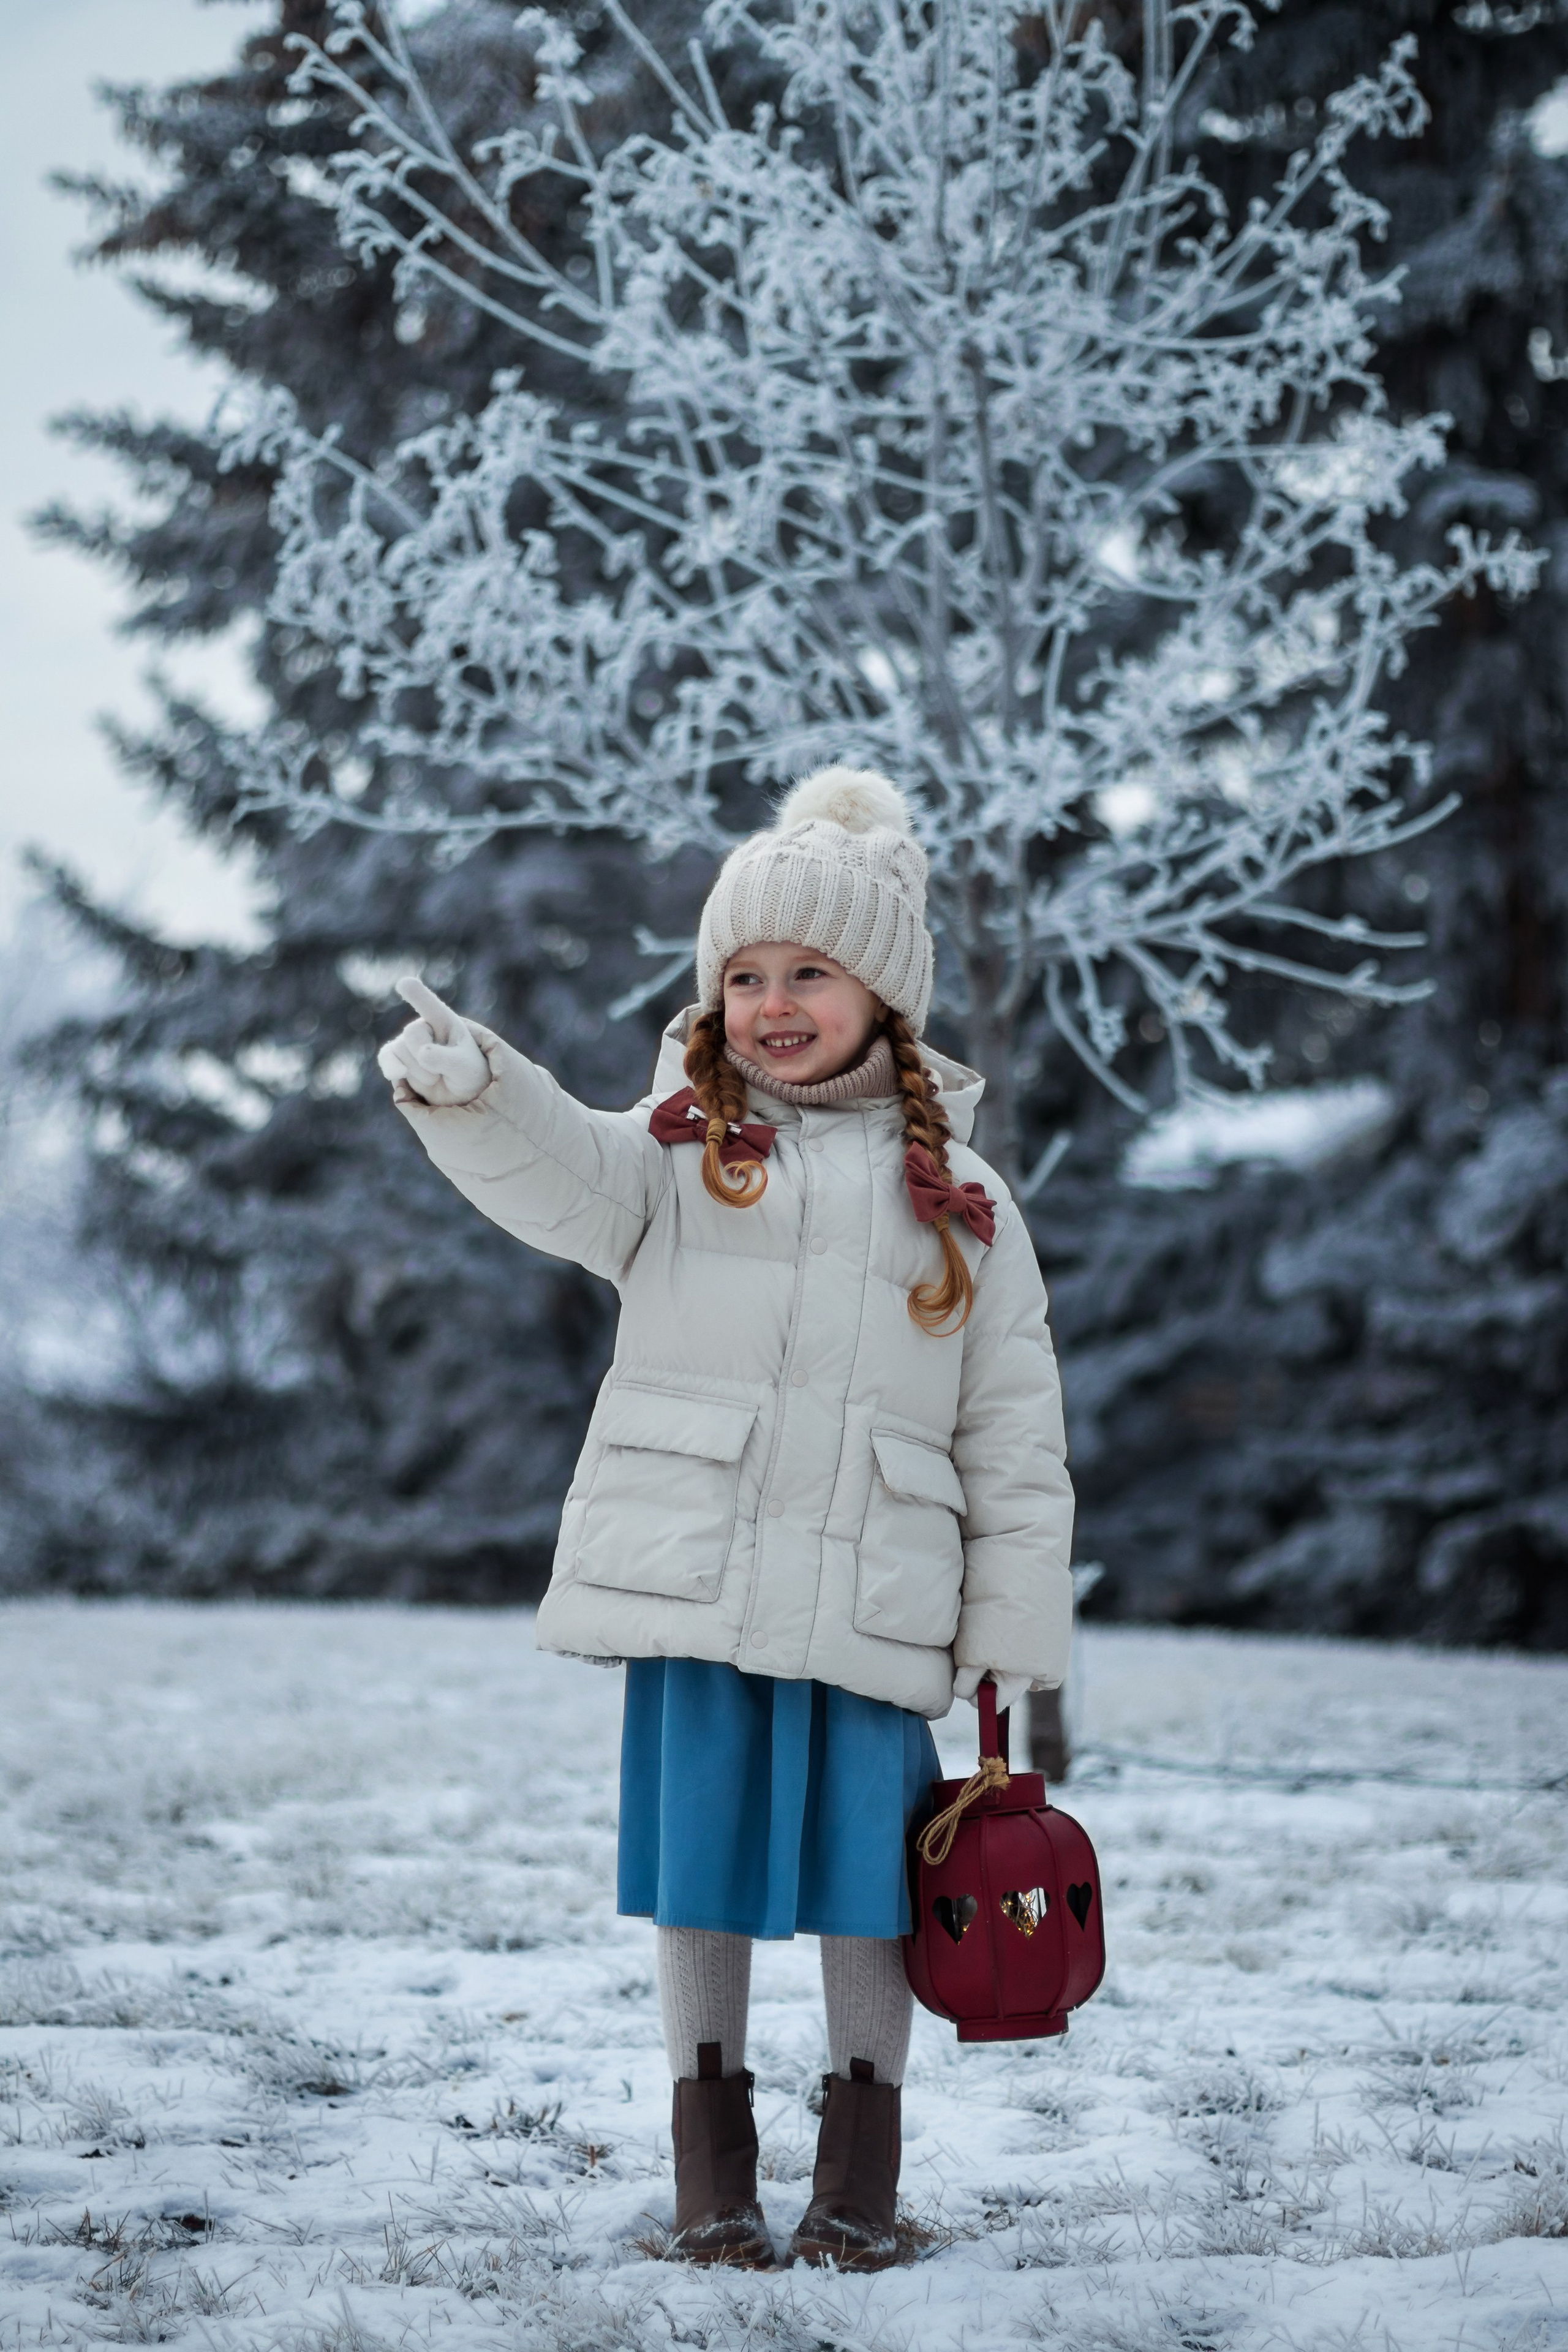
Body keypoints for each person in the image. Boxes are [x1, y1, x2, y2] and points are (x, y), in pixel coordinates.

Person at [378, 766, 1074, 2270]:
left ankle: (857, 2174)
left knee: (861, 1886)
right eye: (743, 973)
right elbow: (561, 1170)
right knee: (697, 1872)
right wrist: (475, 1088)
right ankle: (711, 2172)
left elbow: (1013, 1432)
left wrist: (1006, 1627)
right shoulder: (684, 1151)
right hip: (699, 1583)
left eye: (806, 973)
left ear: (881, 997)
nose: (770, 1001)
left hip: (870, 1598)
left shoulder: (964, 1199)